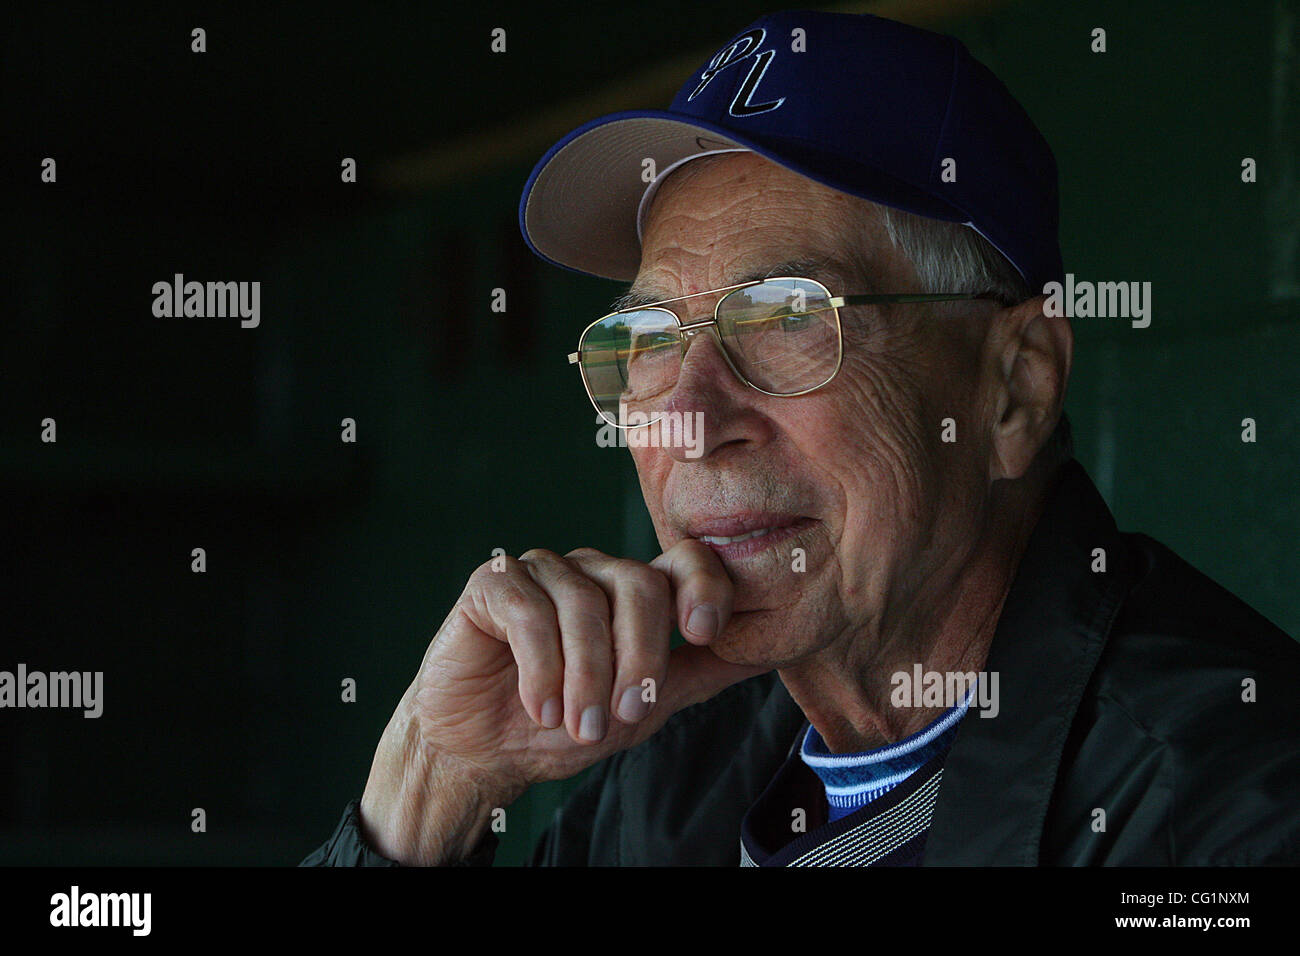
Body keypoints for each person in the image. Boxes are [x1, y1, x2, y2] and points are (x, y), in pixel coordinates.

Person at [303, 10, 1300, 867]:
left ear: (1014, 385)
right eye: (647, 338)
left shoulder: (1225, 806)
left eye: (784, 319)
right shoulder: (671, 775)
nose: (690, 417)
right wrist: (433, 784)